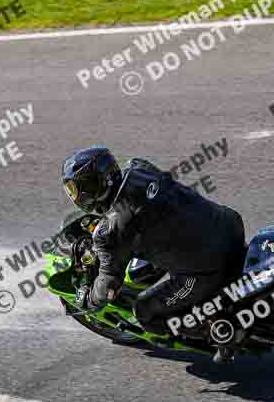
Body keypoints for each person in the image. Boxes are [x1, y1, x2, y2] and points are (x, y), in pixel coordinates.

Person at [61, 146, 246, 363]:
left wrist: (88, 300)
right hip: (229, 225)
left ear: (90, 188)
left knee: (146, 313)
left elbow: (109, 286)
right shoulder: (139, 167)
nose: (74, 196)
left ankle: (218, 331)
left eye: (74, 189)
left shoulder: (110, 231)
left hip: (207, 268)